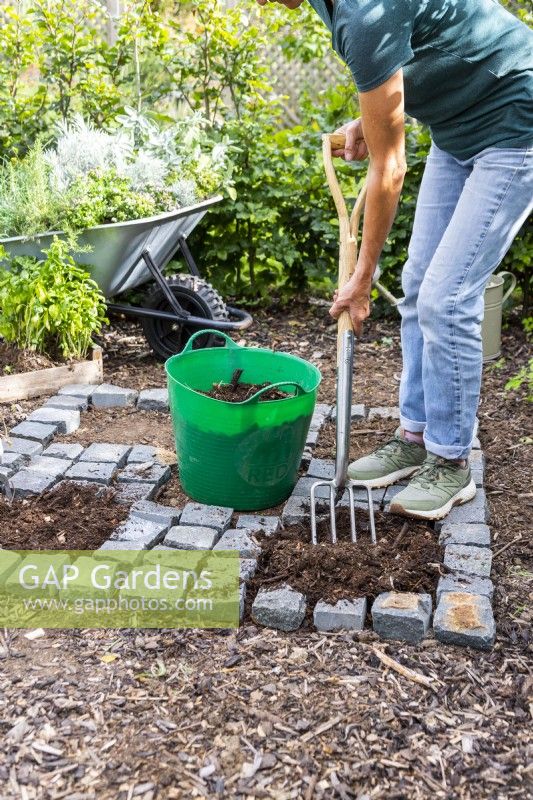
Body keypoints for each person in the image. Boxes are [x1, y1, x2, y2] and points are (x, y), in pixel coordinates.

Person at [256, 0, 533, 520]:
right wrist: (375, 119)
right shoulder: (333, 5)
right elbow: (415, 59)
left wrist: (362, 276)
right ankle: (415, 435)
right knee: (418, 285)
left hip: (516, 124)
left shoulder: (365, 14)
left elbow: (389, 168)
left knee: (446, 298)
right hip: (457, 130)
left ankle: (451, 462)